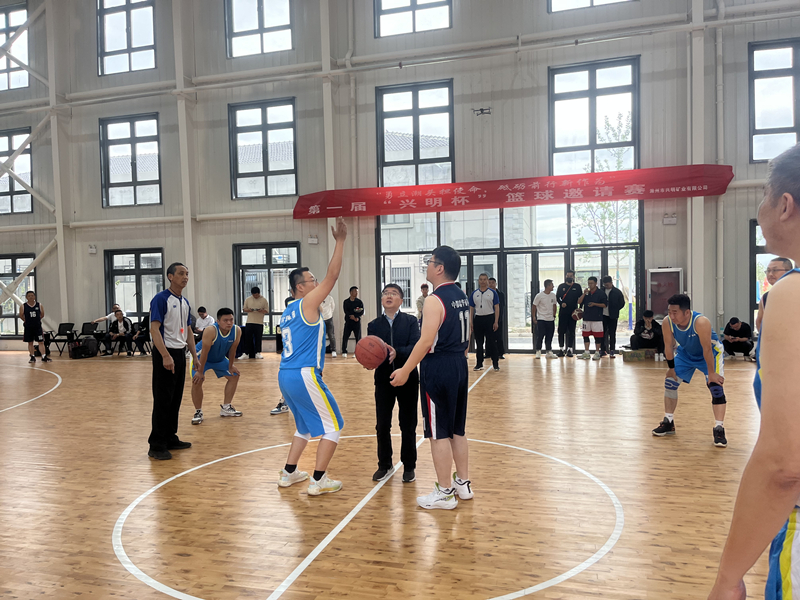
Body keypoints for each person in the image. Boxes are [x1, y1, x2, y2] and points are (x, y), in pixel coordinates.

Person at [707, 143, 800, 600]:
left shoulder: (792, 294)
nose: (760, 206)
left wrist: (728, 576)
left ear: (785, 205)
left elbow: (785, 463)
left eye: (764, 193)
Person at [390, 245, 473, 510]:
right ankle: (463, 483)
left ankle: (445, 492)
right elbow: (468, 334)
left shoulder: (434, 300)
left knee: (438, 433)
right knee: (457, 429)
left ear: (440, 268)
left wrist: (405, 370)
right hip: (459, 363)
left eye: (430, 261)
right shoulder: (461, 295)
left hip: (439, 368)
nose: (427, 265)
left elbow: (425, 341)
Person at [276, 217, 348, 495]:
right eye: (312, 280)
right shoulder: (307, 303)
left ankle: (288, 473)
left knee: (304, 427)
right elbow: (333, 276)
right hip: (304, 373)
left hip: (286, 374)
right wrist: (340, 241)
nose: (317, 282)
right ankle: (319, 480)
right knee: (334, 425)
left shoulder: (288, 310)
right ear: (301, 287)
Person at [651, 293, 727, 448]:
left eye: (675, 312)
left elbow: (707, 349)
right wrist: (671, 368)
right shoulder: (667, 322)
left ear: (686, 312)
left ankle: (719, 428)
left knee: (716, 388)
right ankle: (668, 421)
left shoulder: (701, 322)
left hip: (711, 354)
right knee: (670, 382)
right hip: (686, 354)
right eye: (669, 312)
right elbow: (668, 346)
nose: (671, 316)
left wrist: (711, 373)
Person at [367, 283, 420, 483]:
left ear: (401, 300)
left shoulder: (411, 321)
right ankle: (384, 465)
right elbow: (370, 350)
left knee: (408, 424)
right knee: (382, 425)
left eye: (394, 293)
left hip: (408, 378)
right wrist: (368, 361)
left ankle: (409, 466)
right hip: (383, 380)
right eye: (386, 293)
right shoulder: (373, 325)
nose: (389, 296)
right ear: (382, 299)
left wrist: (398, 352)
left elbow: (416, 346)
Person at [147, 262, 198, 461]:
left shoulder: (185, 302)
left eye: (187, 274)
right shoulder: (161, 299)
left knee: (175, 398)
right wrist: (165, 355)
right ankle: (156, 444)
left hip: (179, 354)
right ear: (170, 276)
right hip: (165, 353)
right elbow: (154, 329)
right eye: (181, 273)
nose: (185, 277)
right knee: (162, 399)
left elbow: (189, 332)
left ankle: (170, 437)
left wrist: (195, 356)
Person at [190, 307, 243, 425]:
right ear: (218, 321)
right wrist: (200, 371)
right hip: (200, 358)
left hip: (219, 358)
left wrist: (231, 366)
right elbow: (204, 352)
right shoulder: (210, 330)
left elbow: (233, 350)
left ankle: (226, 408)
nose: (229, 323)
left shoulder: (237, 330)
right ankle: (198, 412)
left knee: (234, 375)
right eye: (225, 320)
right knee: (197, 381)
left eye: (231, 320)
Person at [469, 273, 500, 372]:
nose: (482, 281)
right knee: (479, 343)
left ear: (487, 281)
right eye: (481, 279)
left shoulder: (493, 293)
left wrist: (496, 321)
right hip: (478, 319)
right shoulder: (474, 293)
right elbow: (471, 308)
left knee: (492, 342)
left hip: (490, 318)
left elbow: (496, 307)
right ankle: (479, 364)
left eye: (484, 279)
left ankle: (495, 364)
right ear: (478, 281)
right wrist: (471, 322)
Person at [756, 257, 794, 332]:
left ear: (789, 272)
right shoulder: (765, 297)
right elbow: (760, 321)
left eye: (775, 270)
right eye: (768, 271)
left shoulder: (796, 293)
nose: (770, 274)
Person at [577, 277, 607, 361]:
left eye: (592, 283)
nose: (590, 285)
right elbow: (579, 302)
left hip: (597, 318)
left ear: (596, 283)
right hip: (586, 318)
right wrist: (584, 294)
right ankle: (586, 352)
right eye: (589, 283)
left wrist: (594, 304)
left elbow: (604, 305)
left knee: (598, 336)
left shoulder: (601, 293)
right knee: (585, 335)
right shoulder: (586, 293)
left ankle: (597, 352)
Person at [19, 290, 51, 363]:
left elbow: (42, 314)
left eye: (32, 295)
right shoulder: (23, 306)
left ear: (34, 297)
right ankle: (32, 356)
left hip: (37, 327)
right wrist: (26, 321)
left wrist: (36, 320)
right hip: (28, 327)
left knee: (41, 342)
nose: (31, 297)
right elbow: (21, 315)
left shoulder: (39, 305)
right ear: (26, 297)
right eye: (29, 296)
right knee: (30, 342)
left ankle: (44, 356)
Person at [557, 270, 583, 357]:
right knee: (561, 331)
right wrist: (561, 303)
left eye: (570, 276)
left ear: (573, 277)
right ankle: (561, 349)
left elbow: (581, 298)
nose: (569, 277)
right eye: (567, 276)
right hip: (563, 312)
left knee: (571, 331)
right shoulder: (561, 286)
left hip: (573, 313)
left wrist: (580, 308)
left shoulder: (577, 287)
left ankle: (570, 349)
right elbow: (557, 297)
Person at [601, 276, 626, 358]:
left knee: (612, 333)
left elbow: (622, 303)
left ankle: (612, 350)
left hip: (613, 316)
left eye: (607, 285)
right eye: (605, 285)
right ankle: (603, 350)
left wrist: (615, 309)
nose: (606, 286)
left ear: (611, 283)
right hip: (603, 315)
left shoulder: (617, 292)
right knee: (602, 333)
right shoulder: (601, 291)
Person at [532, 279, 558, 359]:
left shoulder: (553, 295)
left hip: (550, 319)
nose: (553, 286)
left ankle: (549, 351)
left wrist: (554, 315)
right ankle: (538, 351)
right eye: (552, 285)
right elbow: (534, 306)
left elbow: (554, 305)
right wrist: (534, 317)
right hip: (541, 319)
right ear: (548, 286)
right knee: (540, 336)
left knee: (549, 336)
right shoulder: (539, 296)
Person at [241, 287, 268, 360]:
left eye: (256, 295)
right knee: (247, 338)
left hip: (259, 322)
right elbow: (244, 309)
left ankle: (258, 353)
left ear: (259, 293)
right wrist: (249, 310)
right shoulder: (248, 299)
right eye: (254, 295)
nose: (255, 296)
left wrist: (261, 310)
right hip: (249, 321)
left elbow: (266, 310)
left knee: (258, 338)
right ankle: (246, 353)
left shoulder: (264, 300)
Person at [341, 286, 363, 357]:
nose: (356, 293)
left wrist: (356, 317)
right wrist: (352, 317)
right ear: (351, 292)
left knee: (358, 337)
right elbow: (346, 311)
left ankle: (357, 352)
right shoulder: (346, 302)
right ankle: (344, 351)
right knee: (345, 336)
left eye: (357, 292)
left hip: (356, 322)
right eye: (355, 291)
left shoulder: (359, 302)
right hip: (348, 322)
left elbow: (361, 311)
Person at [488, 277, 506, 359]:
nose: (491, 284)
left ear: (496, 284)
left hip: (498, 318)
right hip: (489, 317)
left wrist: (498, 318)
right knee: (489, 336)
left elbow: (501, 306)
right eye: (490, 283)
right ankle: (488, 353)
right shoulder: (486, 293)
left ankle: (500, 353)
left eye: (493, 283)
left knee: (499, 336)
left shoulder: (500, 294)